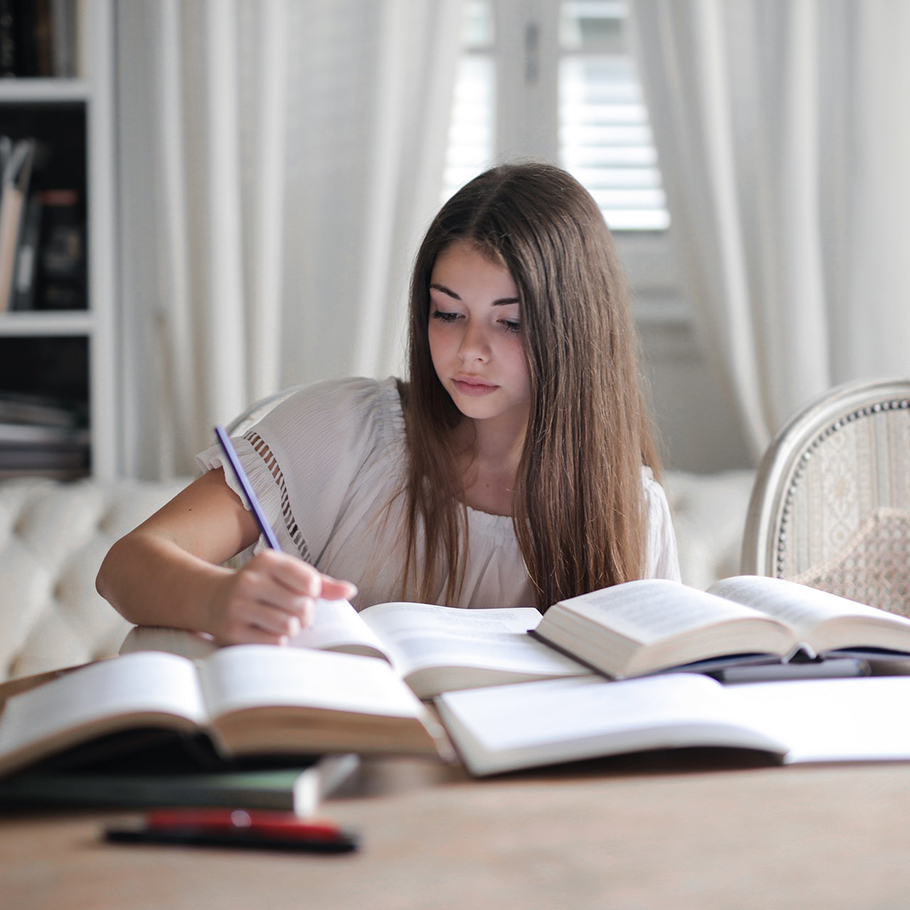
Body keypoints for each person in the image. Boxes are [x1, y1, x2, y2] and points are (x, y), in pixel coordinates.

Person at [96, 162, 680, 646]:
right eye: (447, 314)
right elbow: (125, 566)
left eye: (510, 323)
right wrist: (220, 598)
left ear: (574, 330)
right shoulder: (347, 431)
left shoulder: (630, 511)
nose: (469, 351)